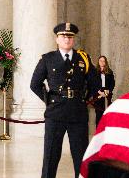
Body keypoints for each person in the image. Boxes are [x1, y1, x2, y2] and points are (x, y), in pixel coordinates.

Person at [30, 22, 96, 178]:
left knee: (80, 155)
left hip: (77, 112)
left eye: (70, 36)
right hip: (55, 112)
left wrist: (83, 99)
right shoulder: (48, 59)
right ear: (57, 39)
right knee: (51, 155)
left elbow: (95, 83)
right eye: (63, 36)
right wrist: (49, 100)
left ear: (73, 39)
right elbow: (34, 84)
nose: (67, 39)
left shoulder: (83, 58)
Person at [92, 55, 115, 127]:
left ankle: (106, 131)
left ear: (105, 62)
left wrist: (108, 91)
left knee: (107, 112)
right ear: (98, 62)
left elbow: (112, 83)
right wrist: (99, 92)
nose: (102, 62)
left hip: (107, 93)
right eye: (100, 61)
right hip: (97, 94)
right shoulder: (95, 72)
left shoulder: (109, 72)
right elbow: (93, 83)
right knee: (99, 113)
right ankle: (99, 132)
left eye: (103, 61)